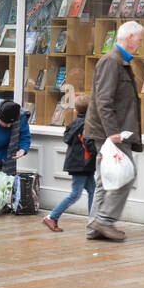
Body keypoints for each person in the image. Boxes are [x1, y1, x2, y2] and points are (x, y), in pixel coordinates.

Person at [83, 19, 144, 242]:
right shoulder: (112, 61)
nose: (140, 44)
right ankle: (105, 220)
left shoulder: (120, 61)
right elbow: (103, 99)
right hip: (112, 133)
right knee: (125, 175)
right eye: (139, 40)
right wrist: (112, 132)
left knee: (105, 180)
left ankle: (94, 227)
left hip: (113, 131)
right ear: (129, 38)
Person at [44, 93, 96, 232]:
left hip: (79, 163)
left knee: (93, 191)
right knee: (75, 194)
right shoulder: (88, 125)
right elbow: (90, 145)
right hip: (82, 164)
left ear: (75, 110)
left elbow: (67, 139)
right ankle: (52, 216)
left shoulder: (73, 123)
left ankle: (94, 222)